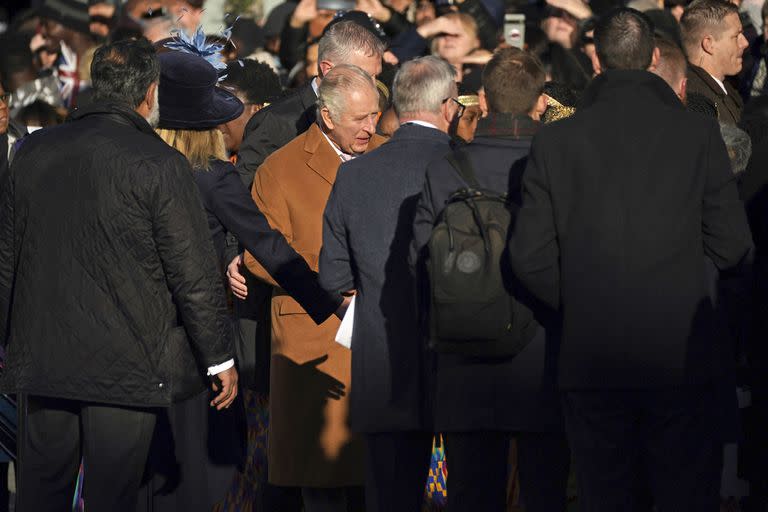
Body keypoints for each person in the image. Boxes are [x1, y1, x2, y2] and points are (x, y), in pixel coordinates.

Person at [508, 8, 754, 510]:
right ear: (655, 57)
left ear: (596, 59)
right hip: (679, 355)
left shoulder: (556, 140)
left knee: (607, 494)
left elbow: (529, 257)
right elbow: (734, 248)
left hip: (593, 354)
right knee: (683, 493)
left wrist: (579, 301)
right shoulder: (697, 136)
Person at [0, 38, 239, 512]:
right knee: (113, 496)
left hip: (45, 360)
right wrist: (220, 358)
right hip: (126, 365)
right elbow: (191, 272)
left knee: (40, 495)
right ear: (150, 92)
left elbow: (7, 259)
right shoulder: (160, 163)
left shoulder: (30, 152)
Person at [411, 47, 570, 512]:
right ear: (541, 101)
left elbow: (416, 263)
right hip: (545, 359)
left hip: (465, 361)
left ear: (481, 99)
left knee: (470, 495)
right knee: (546, 494)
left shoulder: (445, 169)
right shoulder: (558, 165)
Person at [318, 55, 458, 512]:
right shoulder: (464, 167)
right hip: (460, 357)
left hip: (383, 361)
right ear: (448, 106)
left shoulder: (355, 174)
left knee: (389, 495)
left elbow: (333, 275)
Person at [243, 64, 385, 511]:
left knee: (377, 473)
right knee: (319, 477)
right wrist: (331, 283)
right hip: (313, 338)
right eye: (359, 119)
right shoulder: (280, 168)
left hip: (375, 338)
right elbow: (259, 254)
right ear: (326, 116)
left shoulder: (387, 155)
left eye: (376, 115)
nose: (371, 127)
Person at [235, 19, 385, 186]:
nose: (373, 85)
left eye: (376, 76)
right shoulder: (275, 122)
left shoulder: (369, 115)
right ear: (328, 69)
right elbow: (248, 195)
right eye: (364, 75)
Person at [681, 0, 749, 124]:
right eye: (736, 36)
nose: (745, 43)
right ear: (709, 44)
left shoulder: (723, 86)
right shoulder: (697, 104)